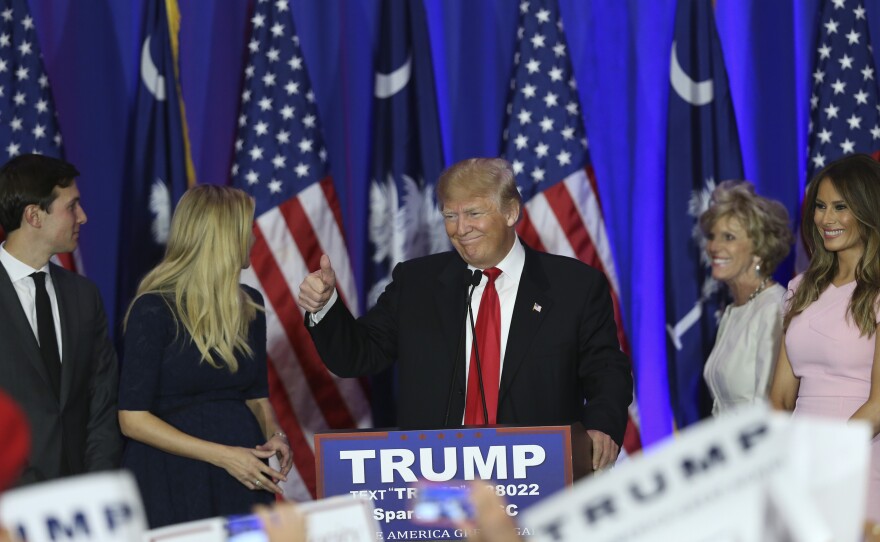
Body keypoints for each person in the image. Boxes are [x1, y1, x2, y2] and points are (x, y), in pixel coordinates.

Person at [298, 157, 632, 470]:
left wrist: (602, 427)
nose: (461, 228)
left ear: (511, 211)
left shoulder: (574, 286)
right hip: (436, 481)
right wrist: (325, 306)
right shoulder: (417, 283)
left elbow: (605, 370)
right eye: (450, 216)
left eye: (473, 213)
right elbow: (356, 356)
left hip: (537, 474)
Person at [118, 185, 292, 527]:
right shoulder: (153, 309)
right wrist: (225, 456)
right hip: (171, 479)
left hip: (241, 478)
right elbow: (132, 419)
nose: (254, 240)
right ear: (223, 238)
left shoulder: (249, 304)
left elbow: (257, 397)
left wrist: (276, 435)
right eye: (247, 231)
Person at [769, 153, 880, 522]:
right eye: (819, 207)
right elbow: (781, 397)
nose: (825, 219)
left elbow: (878, 406)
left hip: (860, 460)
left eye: (839, 207)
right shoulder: (800, 288)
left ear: (868, 210)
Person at [0, 154, 121, 485]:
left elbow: (102, 399)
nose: (83, 217)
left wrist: (97, 483)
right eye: (72, 206)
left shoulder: (84, 295)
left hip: (84, 500)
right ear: (34, 216)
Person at [700, 181, 793, 415]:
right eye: (712, 236)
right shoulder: (734, 310)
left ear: (760, 248)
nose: (713, 246)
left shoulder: (774, 309)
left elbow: (774, 410)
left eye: (728, 237)